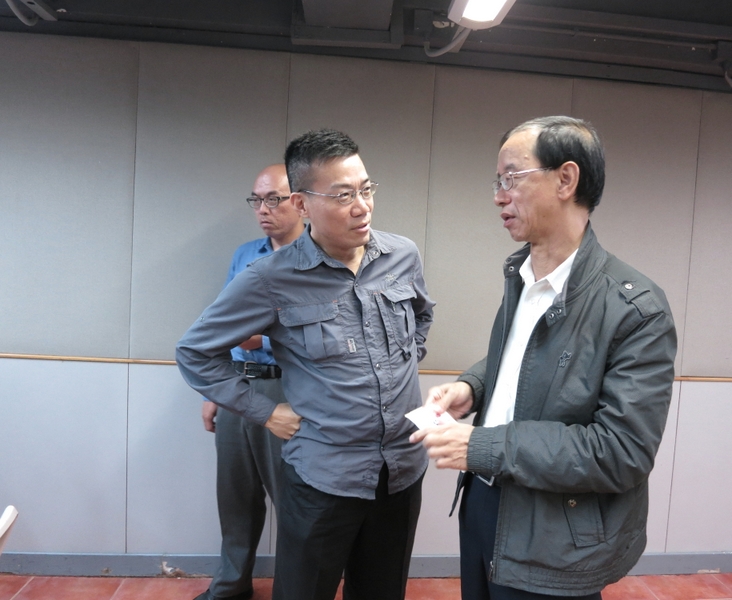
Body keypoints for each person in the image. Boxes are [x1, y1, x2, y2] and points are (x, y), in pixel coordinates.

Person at [411, 116, 677, 600]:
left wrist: (482, 446)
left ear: (566, 179)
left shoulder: (635, 308)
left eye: (511, 178)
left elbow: (622, 451)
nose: (499, 196)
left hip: (557, 536)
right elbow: (524, 360)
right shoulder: (523, 277)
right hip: (485, 504)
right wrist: (473, 386)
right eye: (497, 181)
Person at [176, 128, 435, 600]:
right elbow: (194, 352)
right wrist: (265, 412)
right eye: (343, 195)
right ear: (302, 204)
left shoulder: (402, 255)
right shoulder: (270, 277)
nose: (362, 207)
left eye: (366, 189)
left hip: (399, 470)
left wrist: (402, 363)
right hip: (324, 479)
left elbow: (422, 314)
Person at [194, 164, 305, 600]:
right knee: (234, 495)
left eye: (273, 199)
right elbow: (220, 324)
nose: (263, 209)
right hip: (238, 385)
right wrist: (214, 391)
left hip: (289, 389)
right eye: (256, 200)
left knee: (293, 497)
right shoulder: (245, 255)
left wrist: (264, 338)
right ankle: (230, 586)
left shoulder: (320, 259)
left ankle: (296, 589)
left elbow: (324, 335)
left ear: (300, 201)